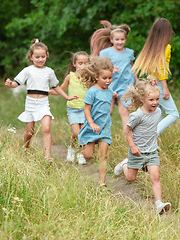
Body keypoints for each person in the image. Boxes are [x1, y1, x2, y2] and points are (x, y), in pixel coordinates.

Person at [5, 38, 78, 162]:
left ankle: (48, 155)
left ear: (46, 56)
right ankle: (26, 147)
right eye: (37, 57)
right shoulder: (27, 70)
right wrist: (10, 84)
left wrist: (66, 97)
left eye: (43, 57)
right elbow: (16, 83)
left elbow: (56, 87)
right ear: (31, 57)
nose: (40, 59)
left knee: (46, 128)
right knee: (29, 132)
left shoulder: (49, 72)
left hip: (44, 104)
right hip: (30, 104)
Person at [114, 80, 171, 214]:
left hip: (151, 152)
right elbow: (127, 131)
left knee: (155, 177)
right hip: (137, 152)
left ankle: (158, 204)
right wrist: (132, 146)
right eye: (151, 99)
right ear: (142, 99)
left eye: (157, 99)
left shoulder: (157, 112)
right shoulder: (137, 115)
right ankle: (124, 165)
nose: (155, 102)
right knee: (130, 178)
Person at [132, 18, 179, 136]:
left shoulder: (152, 46)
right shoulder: (166, 47)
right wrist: (165, 86)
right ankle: (151, 135)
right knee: (173, 114)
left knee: (158, 112)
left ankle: (153, 146)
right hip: (159, 83)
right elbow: (161, 68)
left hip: (151, 81)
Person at [76, 57, 114, 190]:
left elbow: (110, 101)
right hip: (91, 128)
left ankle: (102, 184)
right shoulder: (92, 91)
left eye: (110, 78)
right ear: (97, 77)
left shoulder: (110, 91)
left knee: (103, 156)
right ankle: (80, 149)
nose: (108, 81)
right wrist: (91, 124)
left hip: (104, 129)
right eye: (105, 78)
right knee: (88, 155)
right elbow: (86, 109)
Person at [90, 20, 136, 129]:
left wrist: (136, 82)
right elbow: (99, 69)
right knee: (108, 111)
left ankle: (128, 137)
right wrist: (110, 70)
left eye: (122, 39)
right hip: (109, 85)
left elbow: (132, 68)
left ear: (125, 39)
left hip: (125, 86)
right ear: (112, 40)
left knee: (124, 111)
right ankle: (100, 133)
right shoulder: (105, 53)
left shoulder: (129, 53)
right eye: (117, 39)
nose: (120, 42)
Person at [49, 51, 89, 164]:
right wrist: (50, 92)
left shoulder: (89, 77)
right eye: (80, 63)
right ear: (74, 64)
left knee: (82, 132)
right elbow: (61, 89)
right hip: (73, 109)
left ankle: (81, 154)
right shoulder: (69, 77)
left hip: (86, 109)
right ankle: (71, 148)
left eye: (86, 63)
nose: (83, 66)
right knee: (77, 133)